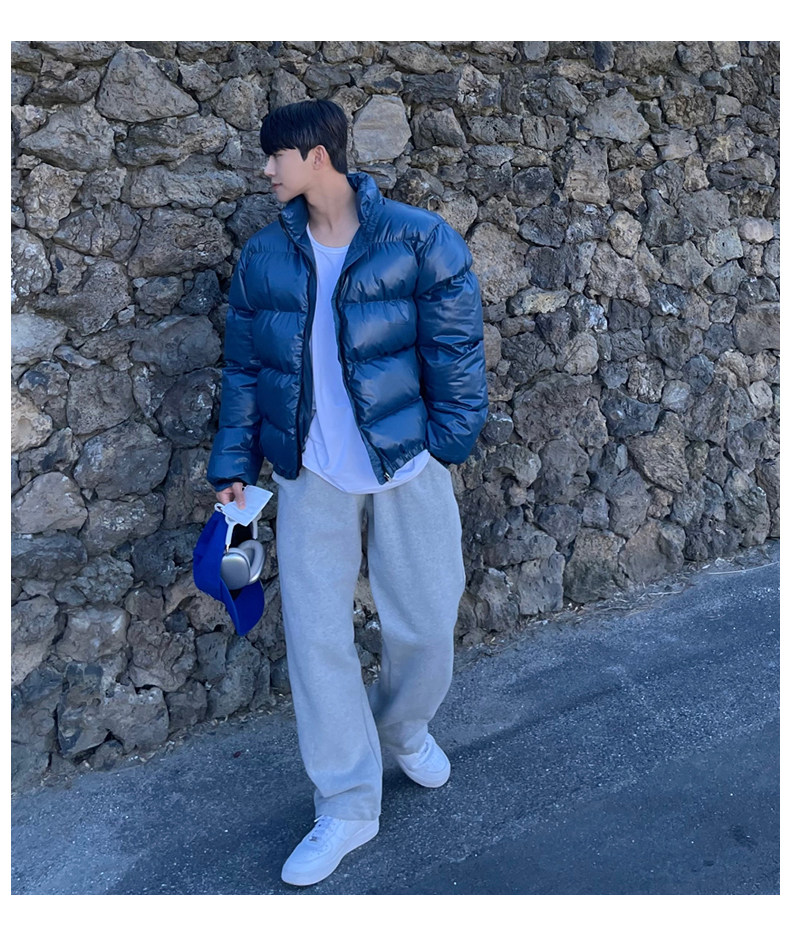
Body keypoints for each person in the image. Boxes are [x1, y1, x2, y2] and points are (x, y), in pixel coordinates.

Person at [206, 98, 488, 887]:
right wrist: (234, 463)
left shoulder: (419, 239)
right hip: (310, 471)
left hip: (407, 463)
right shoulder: (265, 256)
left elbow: (458, 350)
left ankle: (403, 727)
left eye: (277, 156)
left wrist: (444, 443)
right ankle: (347, 803)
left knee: (427, 621)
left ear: (318, 157)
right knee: (317, 640)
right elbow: (244, 370)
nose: (267, 169)